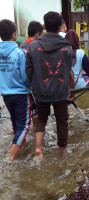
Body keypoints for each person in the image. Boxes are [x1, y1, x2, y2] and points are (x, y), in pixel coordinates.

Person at [26, 11, 73, 157]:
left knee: (41, 119)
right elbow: (68, 69)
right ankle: (62, 151)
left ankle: (38, 147)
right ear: (60, 27)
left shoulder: (33, 46)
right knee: (62, 120)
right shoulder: (67, 47)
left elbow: (28, 70)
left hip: (41, 91)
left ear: (44, 26)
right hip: (60, 91)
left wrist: (37, 83)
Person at [0, 19, 32, 160]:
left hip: (6, 95)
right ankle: (11, 157)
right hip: (21, 94)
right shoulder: (20, 53)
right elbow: (26, 76)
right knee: (24, 126)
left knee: (15, 123)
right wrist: (31, 86)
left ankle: (18, 146)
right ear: (14, 35)